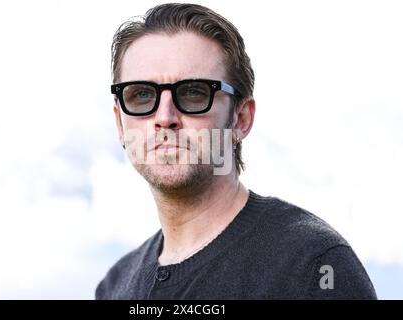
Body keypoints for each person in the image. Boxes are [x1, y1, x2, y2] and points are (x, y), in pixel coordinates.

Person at [96, 3, 377, 299]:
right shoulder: (115, 286)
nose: (165, 117)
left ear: (241, 119)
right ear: (119, 123)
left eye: (194, 92)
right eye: (141, 95)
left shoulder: (314, 267)